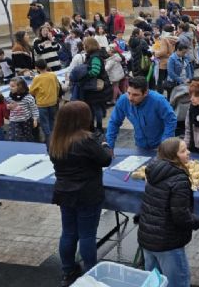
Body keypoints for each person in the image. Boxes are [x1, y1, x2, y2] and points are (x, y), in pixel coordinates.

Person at [49, 101, 112, 286]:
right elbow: (106, 159)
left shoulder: (55, 138)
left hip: (64, 193)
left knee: (68, 232)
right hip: (87, 194)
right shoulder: (87, 140)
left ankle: (68, 270)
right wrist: (105, 142)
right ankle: (91, 272)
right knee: (87, 235)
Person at [137, 138, 199, 287]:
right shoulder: (179, 179)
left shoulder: (153, 171)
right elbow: (180, 216)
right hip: (167, 242)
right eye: (183, 151)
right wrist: (197, 221)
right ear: (173, 156)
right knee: (178, 283)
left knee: (154, 283)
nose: (188, 153)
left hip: (148, 239)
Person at [104, 76, 177, 151]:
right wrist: (110, 145)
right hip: (140, 145)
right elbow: (114, 122)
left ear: (145, 93)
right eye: (129, 93)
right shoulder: (124, 100)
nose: (130, 98)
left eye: (135, 95)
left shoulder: (158, 100)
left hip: (159, 145)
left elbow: (171, 120)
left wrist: (164, 145)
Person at [80, 38, 112, 135]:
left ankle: (98, 128)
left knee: (96, 108)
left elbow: (95, 71)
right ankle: (92, 127)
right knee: (94, 108)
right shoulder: (94, 55)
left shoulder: (95, 57)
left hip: (96, 89)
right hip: (96, 88)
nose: (83, 47)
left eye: (84, 45)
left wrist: (84, 75)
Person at [29, 58, 60, 147]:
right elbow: (57, 87)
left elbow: (31, 91)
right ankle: (55, 138)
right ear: (46, 65)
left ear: (36, 68)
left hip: (42, 103)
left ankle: (48, 140)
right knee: (52, 120)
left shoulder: (37, 78)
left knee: (44, 122)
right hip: (53, 101)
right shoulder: (53, 75)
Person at [6, 77, 39, 142]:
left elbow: (34, 109)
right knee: (13, 137)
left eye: (12, 86)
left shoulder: (28, 98)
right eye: (10, 86)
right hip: (14, 120)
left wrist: (35, 119)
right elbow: (6, 105)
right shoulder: (9, 97)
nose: (10, 88)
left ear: (20, 87)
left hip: (26, 120)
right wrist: (8, 106)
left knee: (27, 136)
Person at [155, 25, 178, 95]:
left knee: (160, 80)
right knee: (168, 79)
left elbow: (163, 51)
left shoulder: (164, 39)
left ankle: (159, 95)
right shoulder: (174, 38)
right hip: (170, 60)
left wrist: (155, 53)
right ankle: (169, 95)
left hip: (163, 62)